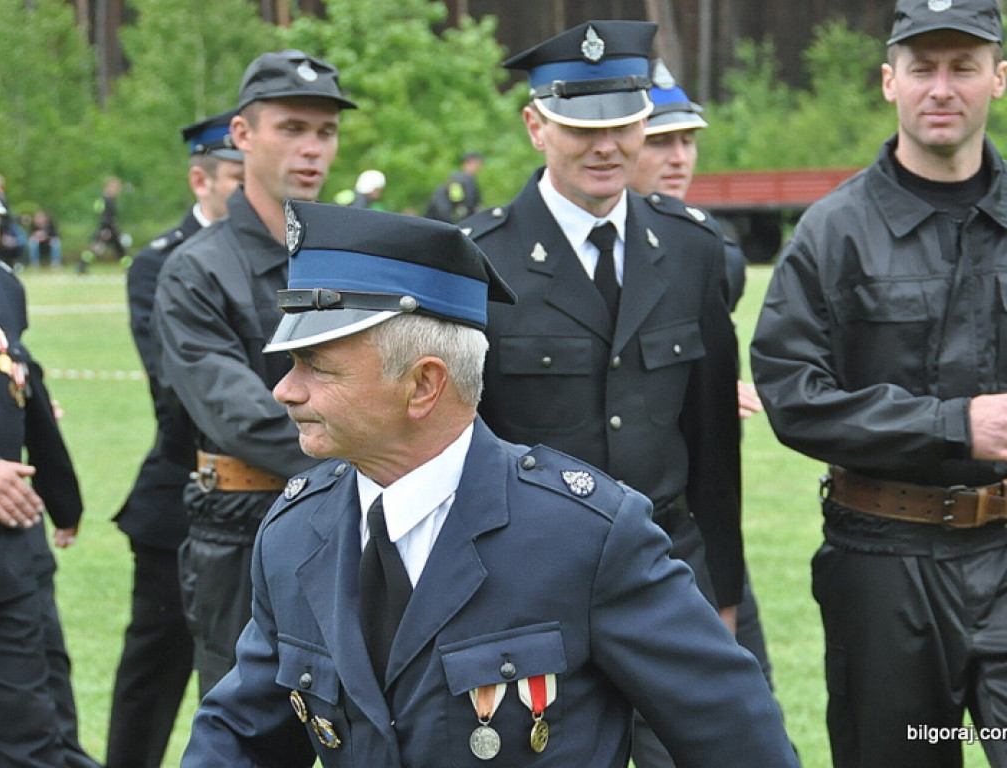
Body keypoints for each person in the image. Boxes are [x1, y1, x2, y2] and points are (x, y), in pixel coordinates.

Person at [180, 200, 798, 767]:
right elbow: (238, 737)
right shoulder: (294, 536)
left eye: (316, 366)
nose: (286, 390)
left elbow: (738, 741)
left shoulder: (585, 538)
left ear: (424, 384)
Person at [461, 19, 746, 758]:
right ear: (535, 126)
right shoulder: (478, 261)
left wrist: (723, 594)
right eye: (580, 127)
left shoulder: (690, 249)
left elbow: (715, 442)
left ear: (645, 122)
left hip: (665, 573)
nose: (605, 146)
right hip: (528, 585)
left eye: (623, 124)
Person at [750, 1, 1007, 765]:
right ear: (889, 81)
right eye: (922, 68)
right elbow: (793, 397)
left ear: (999, 78)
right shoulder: (834, 233)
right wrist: (954, 426)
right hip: (883, 563)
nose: (942, 87)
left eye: (963, 67)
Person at [152, 49, 357, 697]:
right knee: (248, 731)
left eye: (325, 132)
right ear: (242, 136)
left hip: (358, 519)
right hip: (246, 523)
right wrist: (377, 463)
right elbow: (237, 413)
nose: (312, 150)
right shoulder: (197, 270)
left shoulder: (356, 258)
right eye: (291, 128)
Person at [625, 60, 779, 768]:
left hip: (696, 530)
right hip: (604, 533)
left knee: (744, 725)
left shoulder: (710, 249)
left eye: (687, 140)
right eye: (660, 141)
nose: (678, 157)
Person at [105, 108, 244, 768]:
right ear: (202, 180)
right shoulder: (162, 265)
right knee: (153, 678)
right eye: (237, 179)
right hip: (185, 495)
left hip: (275, 496)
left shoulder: (295, 252)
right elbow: (178, 393)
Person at [0, 165, 96, 767]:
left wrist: (61, 495)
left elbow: (20, 384)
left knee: (42, 725)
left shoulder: (0, 286)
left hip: (6, 542)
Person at [424, 150, 484, 223]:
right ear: (469, 162)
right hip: (443, 219)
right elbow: (457, 201)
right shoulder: (458, 180)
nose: (480, 167)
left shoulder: (464, 180)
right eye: (478, 163)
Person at [89, 175, 128, 262]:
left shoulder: (104, 199)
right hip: (107, 229)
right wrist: (106, 228)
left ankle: (82, 265)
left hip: (108, 228)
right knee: (96, 248)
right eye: (117, 187)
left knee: (119, 250)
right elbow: (104, 216)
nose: (118, 190)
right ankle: (81, 265)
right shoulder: (106, 200)